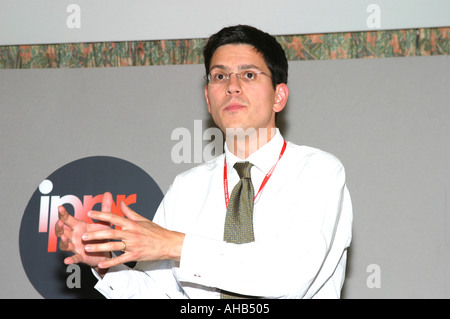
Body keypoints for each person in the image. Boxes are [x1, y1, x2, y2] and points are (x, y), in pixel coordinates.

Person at [56, 25, 352, 299]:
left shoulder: (318, 172)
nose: (232, 87)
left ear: (279, 96)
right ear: (209, 100)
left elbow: (288, 277)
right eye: (220, 76)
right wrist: (107, 265)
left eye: (248, 75)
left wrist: (174, 244)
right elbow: (160, 293)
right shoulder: (188, 187)